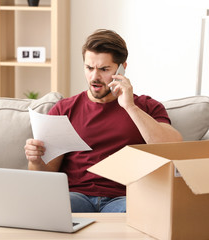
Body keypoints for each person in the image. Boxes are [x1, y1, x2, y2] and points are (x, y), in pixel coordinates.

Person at [24, 29, 182, 213]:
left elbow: (173, 149)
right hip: (76, 196)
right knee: (45, 208)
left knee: (144, 214)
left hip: (124, 198)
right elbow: (45, 175)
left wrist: (129, 106)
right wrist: (35, 160)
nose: (94, 77)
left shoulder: (146, 107)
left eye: (104, 69)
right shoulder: (64, 109)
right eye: (89, 68)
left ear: (122, 68)